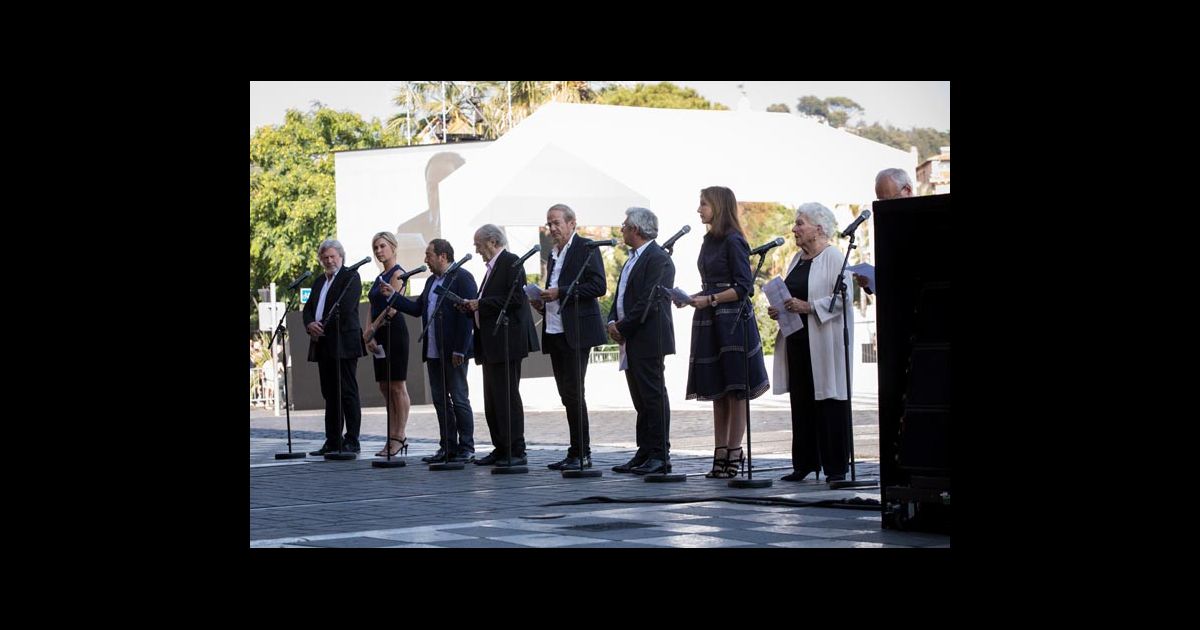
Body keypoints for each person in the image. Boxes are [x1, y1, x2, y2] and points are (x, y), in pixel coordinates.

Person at [678, 186, 770, 478]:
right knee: (717, 390)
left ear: (718, 206)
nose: (699, 209)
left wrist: (712, 300)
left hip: (731, 321)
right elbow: (711, 284)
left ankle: (735, 452)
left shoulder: (734, 240)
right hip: (710, 319)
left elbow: (745, 287)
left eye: (703, 204)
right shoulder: (709, 240)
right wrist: (691, 298)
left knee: (735, 390)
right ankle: (719, 452)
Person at [767, 203, 854, 482]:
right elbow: (792, 294)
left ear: (819, 228)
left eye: (800, 223)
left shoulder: (834, 258)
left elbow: (843, 299)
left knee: (829, 400)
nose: (794, 228)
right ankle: (804, 463)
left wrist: (809, 307)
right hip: (797, 340)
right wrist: (779, 307)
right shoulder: (797, 259)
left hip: (824, 342)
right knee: (801, 401)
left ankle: (835, 467)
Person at [530, 204, 607, 471]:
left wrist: (560, 292)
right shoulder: (552, 254)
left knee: (575, 392)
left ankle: (582, 452)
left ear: (572, 223)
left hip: (576, 331)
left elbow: (599, 286)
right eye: (548, 224)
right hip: (554, 328)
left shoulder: (586, 248)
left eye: (556, 223)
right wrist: (543, 301)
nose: (551, 229)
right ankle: (574, 450)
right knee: (565, 394)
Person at [392, 238, 479, 464]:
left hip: (454, 352)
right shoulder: (431, 281)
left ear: (443, 256)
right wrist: (393, 298)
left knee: (459, 398)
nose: (426, 260)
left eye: (429, 255)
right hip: (433, 351)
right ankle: (447, 446)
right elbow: (418, 308)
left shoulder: (462, 277)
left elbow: (467, 317)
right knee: (440, 400)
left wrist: (460, 349)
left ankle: (466, 447)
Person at [463, 224, 540, 466]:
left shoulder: (511, 262)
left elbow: (516, 298)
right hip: (491, 342)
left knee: (507, 396)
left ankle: (516, 450)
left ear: (492, 241)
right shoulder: (490, 269)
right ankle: (500, 446)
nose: (476, 251)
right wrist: (471, 307)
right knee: (492, 399)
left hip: (507, 342)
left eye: (478, 245)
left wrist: (480, 304)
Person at [608, 207, 675, 475]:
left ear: (636, 229)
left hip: (649, 337)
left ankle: (660, 454)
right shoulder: (632, 258)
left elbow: (649, 301)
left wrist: (623, 326)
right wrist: (612, 320)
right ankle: (645, 451)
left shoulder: (658, 259)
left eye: (625, 225)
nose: (621, 229)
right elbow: (621, 295)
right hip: (631, 337)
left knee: (653, 395)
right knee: (640, 397)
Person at [302, 239, 367, 455]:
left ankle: (352, 440)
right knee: (329, 393)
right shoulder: (320, 281)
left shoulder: (350, 277)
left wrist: (323, 326)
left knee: (347, 392)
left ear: (341, 257)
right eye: (325, 257)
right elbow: (309, 308)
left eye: (333, 256)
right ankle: (332, 440)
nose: (329, 261)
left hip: (344, 342)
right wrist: (310, 324)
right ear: (320, 260)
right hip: (323, 344)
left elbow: (346, 309)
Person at [362, 232, 412, 458]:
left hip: (394, 333)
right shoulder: (379, 277)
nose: (379, 251)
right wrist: (368, 333)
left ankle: (399, 437)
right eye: (376, 248)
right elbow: (372, 307)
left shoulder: (398, 273)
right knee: (384, 387)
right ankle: (390, 435)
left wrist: (374, 328)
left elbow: (392, 308)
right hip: (379, 336)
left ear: (393, 247)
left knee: (397, 386)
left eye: (382, 246)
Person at [854, 168, 915, 292]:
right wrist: (868, 283)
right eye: (880, 201)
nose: (884, 207)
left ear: (907, 190)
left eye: (888, 200)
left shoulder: (930, 217)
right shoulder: (886, 225)